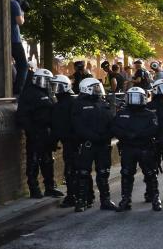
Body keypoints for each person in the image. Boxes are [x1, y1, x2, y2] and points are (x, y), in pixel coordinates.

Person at [70, 78, 116, 212]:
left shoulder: (102, 103)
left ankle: (105, 200)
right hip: (87, 144)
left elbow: (111, 122)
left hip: (103, 144)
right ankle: (82, 200)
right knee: (83, 172)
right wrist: (92, 136)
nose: (98, 90)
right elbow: (77, 125)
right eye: (95, 87)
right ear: (86, 89)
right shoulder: (78, 104)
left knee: (103, 172)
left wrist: (107, 136)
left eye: (98, 87)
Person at [111, 87, 161, 212]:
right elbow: (115, 128)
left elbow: (154, 129)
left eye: (137, 97)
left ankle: (155, 198)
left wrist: (138, 135)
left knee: (150, 174)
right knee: (126, 173)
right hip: (128, 147)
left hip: (145, 147)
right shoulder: (122, 113)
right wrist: (126, 135)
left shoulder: (149, 114)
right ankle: (126, 199)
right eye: (131, 97)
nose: (134, 101)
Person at [16, 68, 60, 199]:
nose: (46, 83)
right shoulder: (29, 93)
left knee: (48, 161)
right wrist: (31, 130)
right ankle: (34, 189)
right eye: (44, 80)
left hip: (47, 132)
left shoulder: (48, 93)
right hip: (36, 132)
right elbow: (22, 115)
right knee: (33, 160)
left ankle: (50, 187)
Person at [50, 74, 79, 207]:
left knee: (71, 169)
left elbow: (57, 126)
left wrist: (54, 140)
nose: (56, 90)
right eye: (54, 86)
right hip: (72, 140)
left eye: (58, 87)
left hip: (71, 141)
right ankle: (82, 196)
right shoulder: (70, 103)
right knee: (75, 169)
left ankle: (73, 196)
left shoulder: (66, 104)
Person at [9, 0, 28, 95]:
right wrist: (22, 12)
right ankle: (18, 91)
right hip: (15, 40)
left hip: (4, 40)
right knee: (23, 66)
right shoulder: (14, 4)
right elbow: (20, 22)